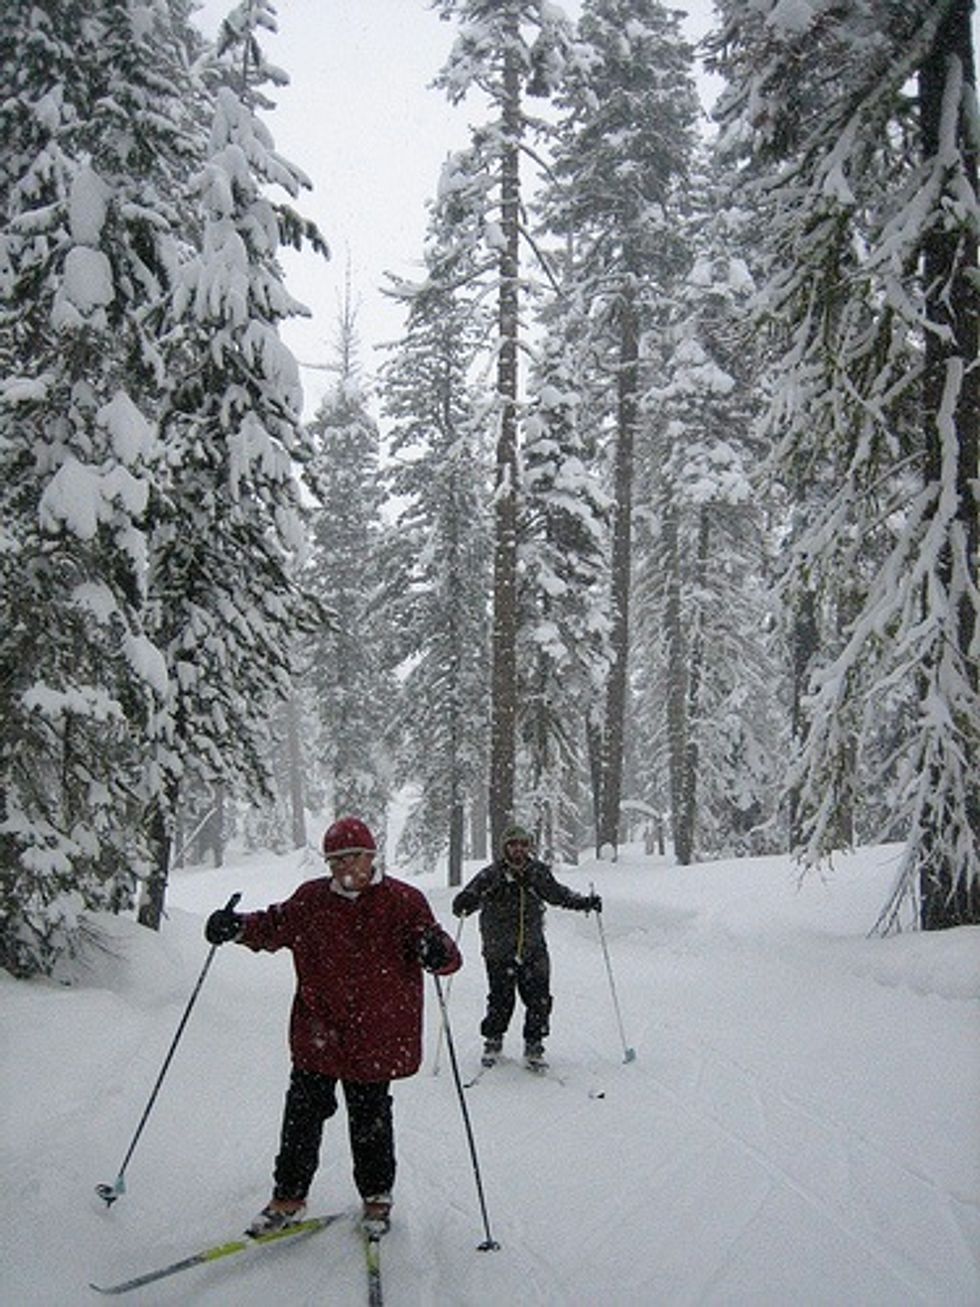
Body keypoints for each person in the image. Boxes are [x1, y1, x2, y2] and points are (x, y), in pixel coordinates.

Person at [204, 815, 461, 1238]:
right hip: (318, 1032)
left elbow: (446, 957)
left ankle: (377, 1198)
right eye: (335, 860)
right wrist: (235, 928)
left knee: (370, 1120)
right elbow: (271, 926)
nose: (345, 868)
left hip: (377, 1037)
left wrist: (437, 951)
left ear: (371, 856)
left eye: (353, 857)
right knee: (302, 1117)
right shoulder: (311, 900)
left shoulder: (403, 901)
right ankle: (287, 1198)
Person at [451, 823, 601, 1071]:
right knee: (501, 999)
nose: (518, 849)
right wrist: (465, 902)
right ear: (505, 848)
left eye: (523, 844)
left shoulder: (538, 873)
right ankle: (493, 1041)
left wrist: (584, 903)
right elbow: (465, 902)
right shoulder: (491, 875)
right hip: (499, 949)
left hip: (533, 948)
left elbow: (558, 895)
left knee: (539, 999)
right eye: (513, 844)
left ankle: (534, 1045)